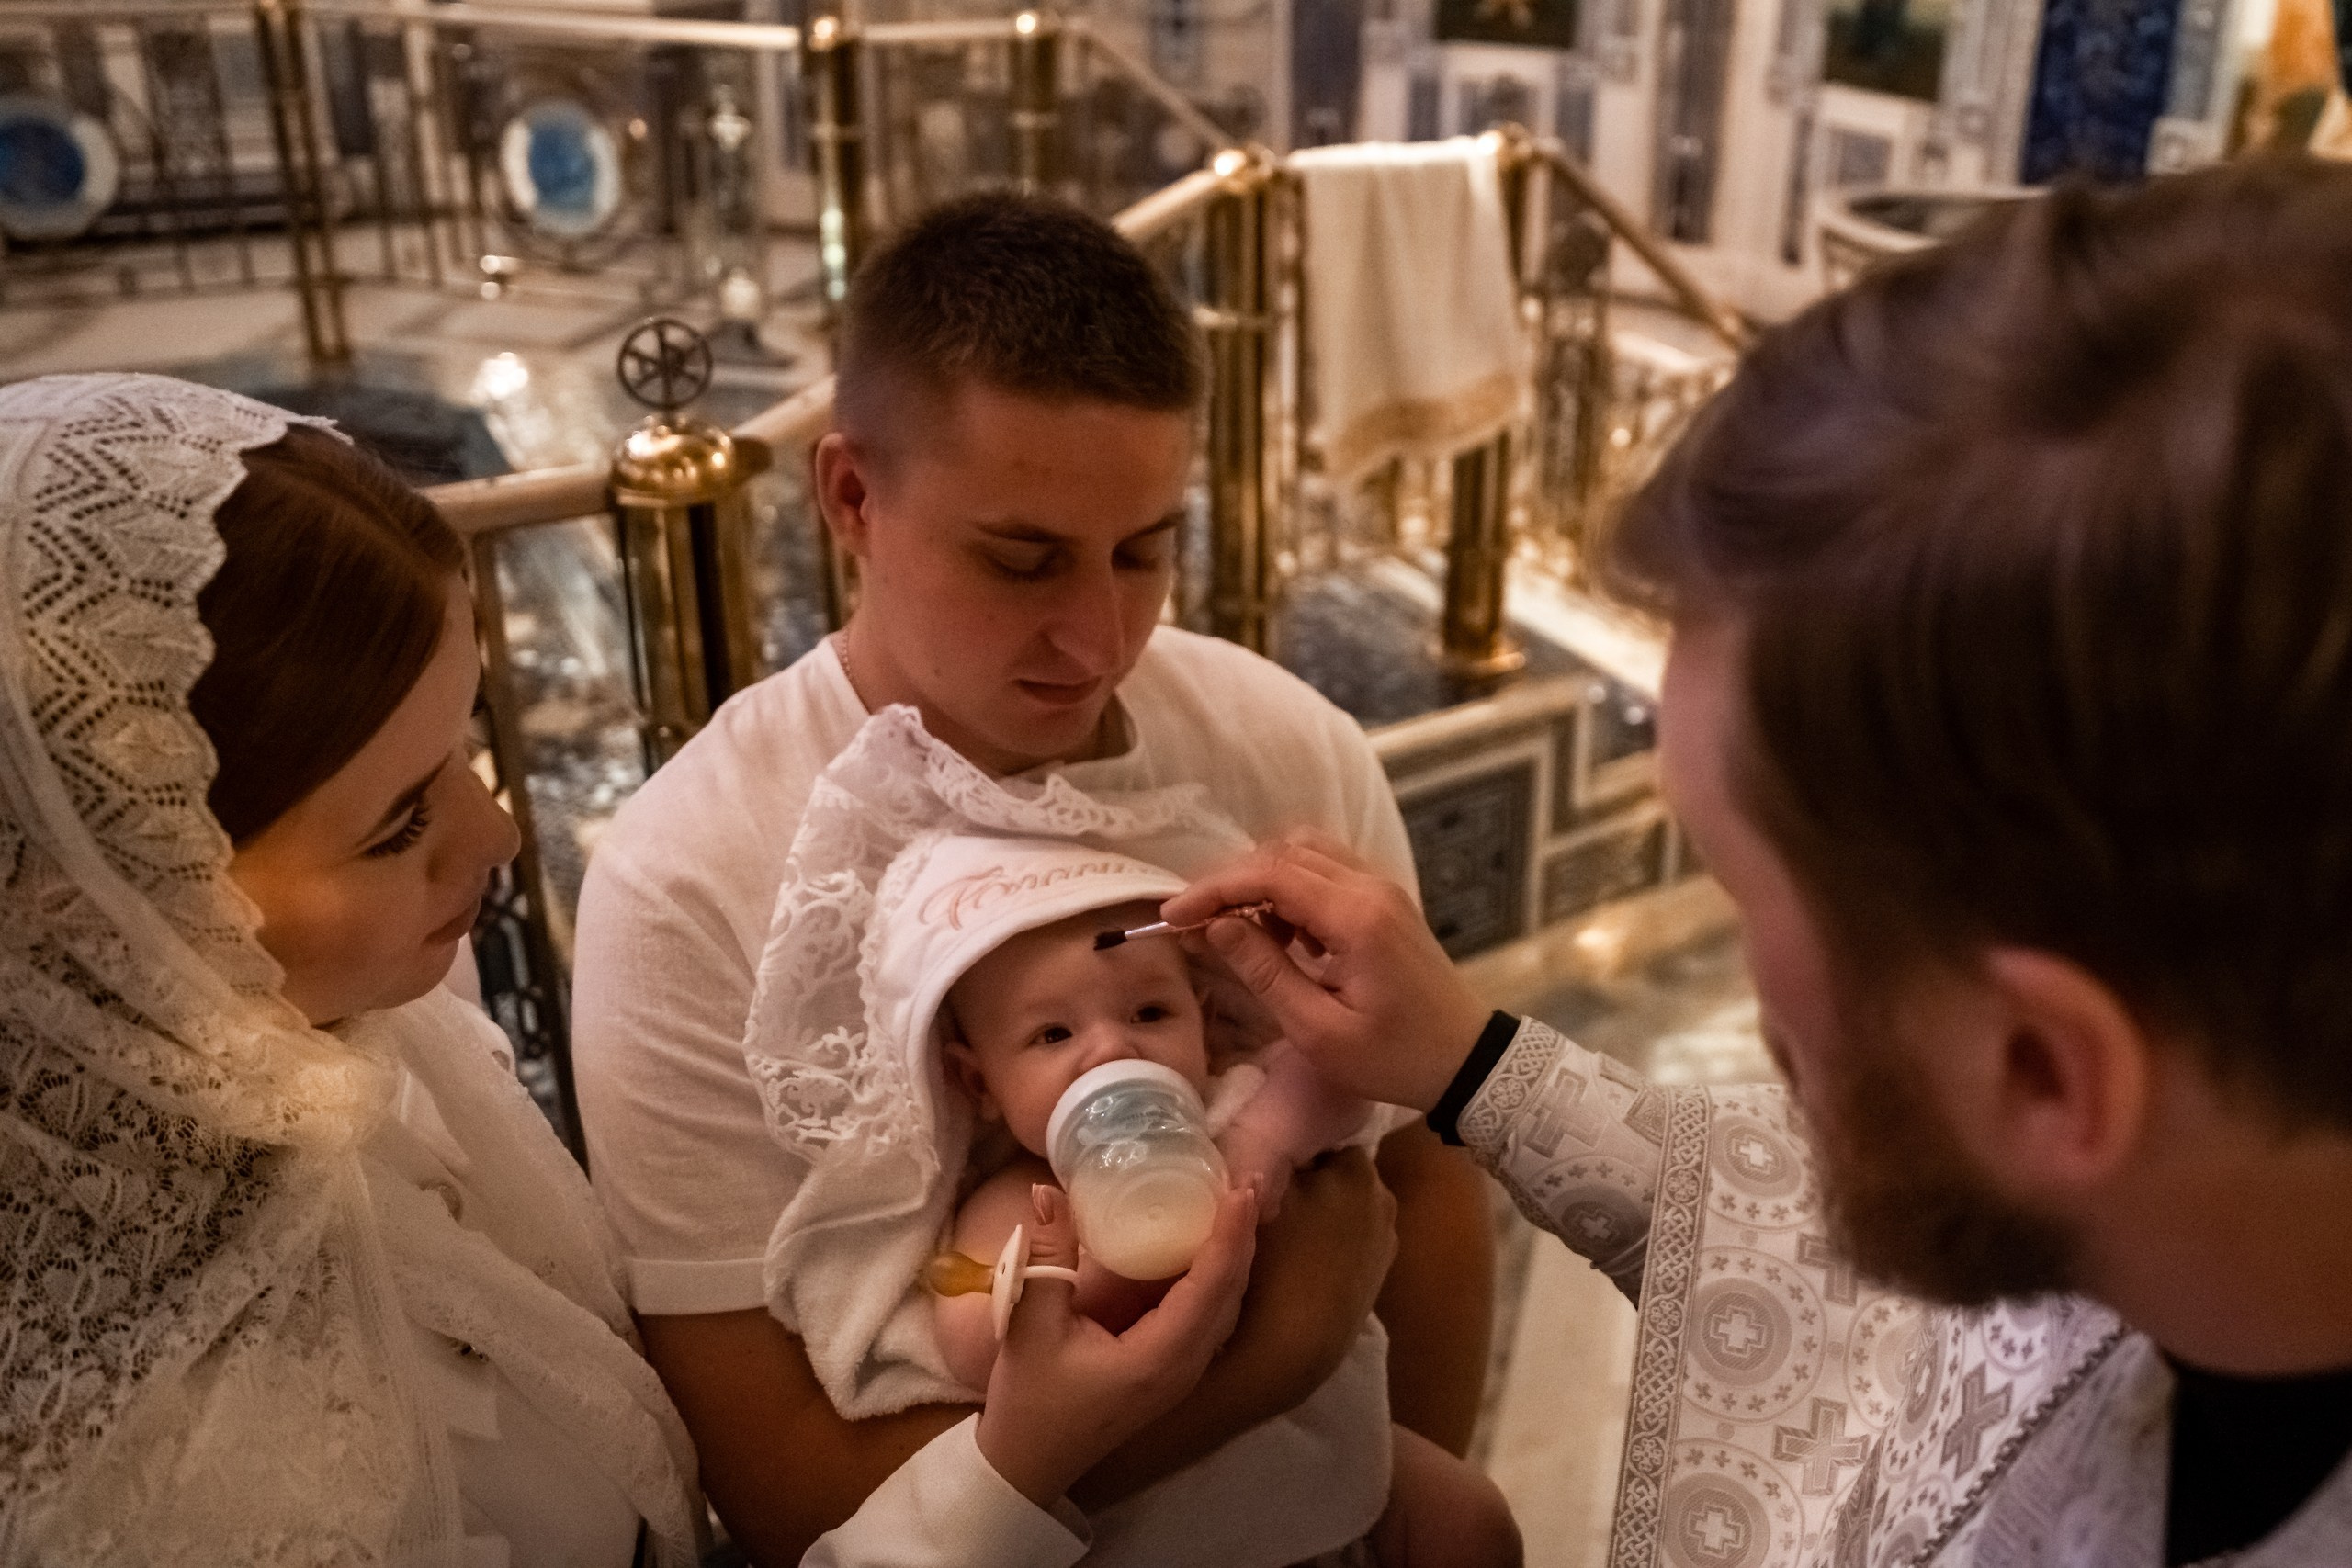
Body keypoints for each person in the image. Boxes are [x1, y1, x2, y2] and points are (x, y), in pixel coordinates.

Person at [1163, 161, 2352, 1567]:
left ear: (2041, 1070)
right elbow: (1838, 1281)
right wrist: (1467, 1061)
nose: (1753, 989)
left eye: (1744, 891)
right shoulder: (2215, 1159)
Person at [0, 374, 1257, 1568]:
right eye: (397, 823)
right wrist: (1037, 1454)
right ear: (101, 912)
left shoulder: (350, 1026)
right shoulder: (186, 1485)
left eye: (469, 749)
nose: (495, 837)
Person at [571, 192, 1492, 1562]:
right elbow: (787, 1492)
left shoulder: (1288, 746)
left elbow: (1425, 1182)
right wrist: (1269, 1360)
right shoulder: (686, 884)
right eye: (1023, 561)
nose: (1099, 637)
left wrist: (1386, 1510)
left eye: (1144, 551)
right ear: (850, 497)